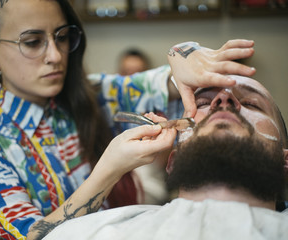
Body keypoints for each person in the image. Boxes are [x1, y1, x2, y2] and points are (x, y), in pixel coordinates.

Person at [0, 0, 256, 239]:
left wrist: (184, 55)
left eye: (62, 37)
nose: (56, 56)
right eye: (32, 42)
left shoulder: (90, 93)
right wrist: (109, 171)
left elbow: (163, 82)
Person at [43, 74, 288, 240]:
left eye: (251, 104)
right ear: (172, 161)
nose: (223, 100)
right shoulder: (93, 233)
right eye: (202, 102)